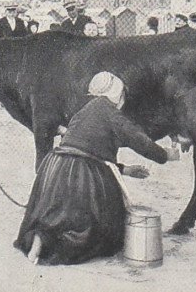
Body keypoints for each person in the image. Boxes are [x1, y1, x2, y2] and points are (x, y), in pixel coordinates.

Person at [14, 71, 168, 265]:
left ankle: (40, 238)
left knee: (56, 214)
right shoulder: (110, 112)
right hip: (80, 173)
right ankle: (50, 242)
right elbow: (138, 140)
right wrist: (164, 155)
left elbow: (90, 151)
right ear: (118, 94)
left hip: (55, 168)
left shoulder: (85, 111)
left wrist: (126, 170)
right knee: (99, 230)